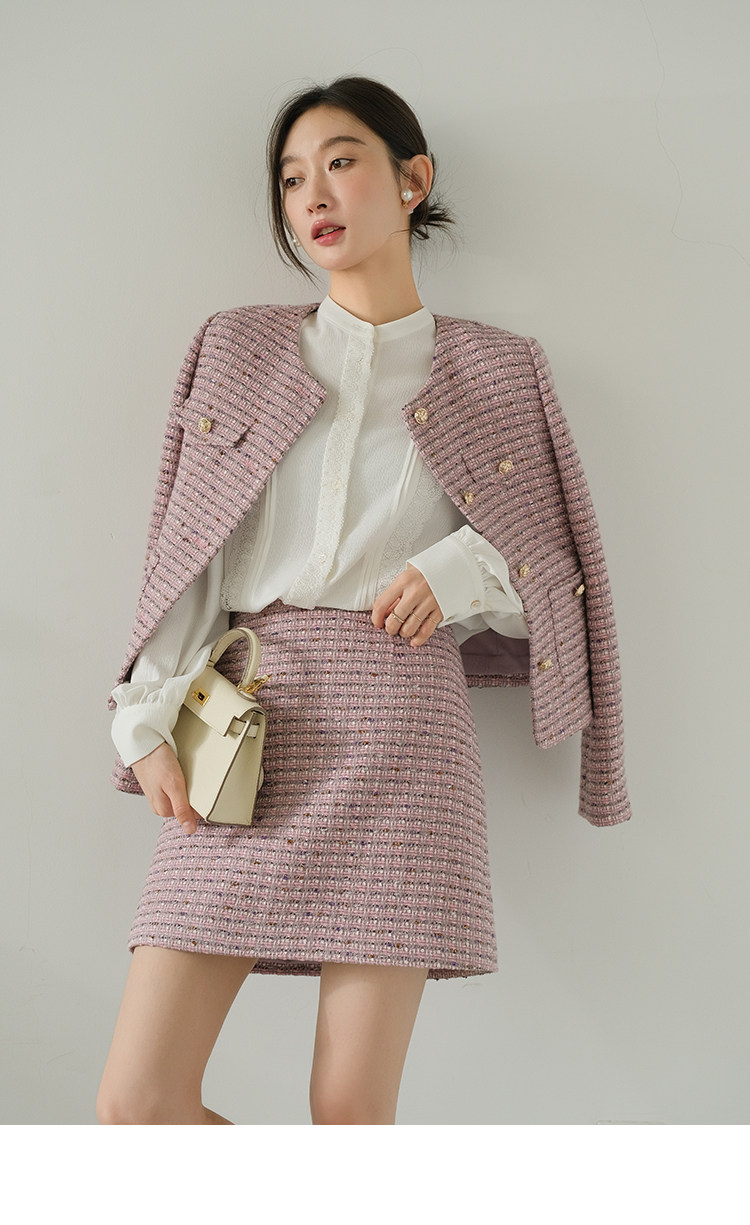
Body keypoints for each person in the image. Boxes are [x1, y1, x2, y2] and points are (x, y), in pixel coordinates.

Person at [97, 76, 630, 1126]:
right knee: (139, 1104)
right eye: (291, 178)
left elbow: (555, 570)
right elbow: (190, 544)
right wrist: (144, 715)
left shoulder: (499, 369)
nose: (313, 194)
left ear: (412, 179)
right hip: (244, 714)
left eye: (341, 162)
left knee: (349, 1114)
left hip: (405, 738)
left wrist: (458, 570)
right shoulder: (237, 346)